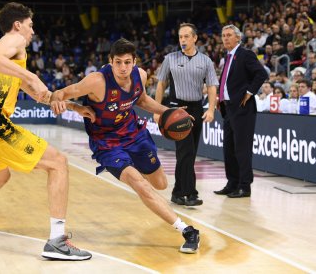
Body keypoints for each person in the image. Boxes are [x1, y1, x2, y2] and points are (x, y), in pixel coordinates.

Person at [0, 2, 93, 261]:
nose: (32, 31)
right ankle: (57, 241)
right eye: (30, 25)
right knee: (58, 162)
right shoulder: (13, 40)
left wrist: (72, 106)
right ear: (18, 25)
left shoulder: (12, 60)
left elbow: (38, 94)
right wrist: (33, 77)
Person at [50, 38, 201, 254]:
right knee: (139, 183)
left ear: (134, 62)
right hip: (107, 143)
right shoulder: (96, 81)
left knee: (160, 184)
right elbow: (61, 93)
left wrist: (166, 112)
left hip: (134, 133)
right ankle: (187, 230)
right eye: (118, 62)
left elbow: (141, 100)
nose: (123, 68)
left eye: (127, 62)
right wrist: (66, 103)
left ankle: (137, 173)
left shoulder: (140, 75)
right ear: (110, 61)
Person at [154, 23, 218, 206]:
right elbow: (161, 84)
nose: (182, 40)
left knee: (189, 153)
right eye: (180, 37)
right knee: (186, 151)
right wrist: (158, 110)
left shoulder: (206, 61)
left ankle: (177, 192)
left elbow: (212, 86)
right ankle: (190, 193)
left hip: (197, 108)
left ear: (195, 38)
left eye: (186, 37)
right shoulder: (170, 58)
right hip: (177, 109)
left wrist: (211, 109)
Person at [214, 25, 268, 198]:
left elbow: (261, 74)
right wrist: (219, 98)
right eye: (223, 36)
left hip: (243, 108)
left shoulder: (245, 54)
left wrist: (250, 92)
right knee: (228, 148)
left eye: (229, 35)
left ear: (238, 38)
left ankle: (245, 186)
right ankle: (232, 183)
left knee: (242, 149)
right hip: (228, 108)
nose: (225, 38)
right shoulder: (228, 57)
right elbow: (227, 82)